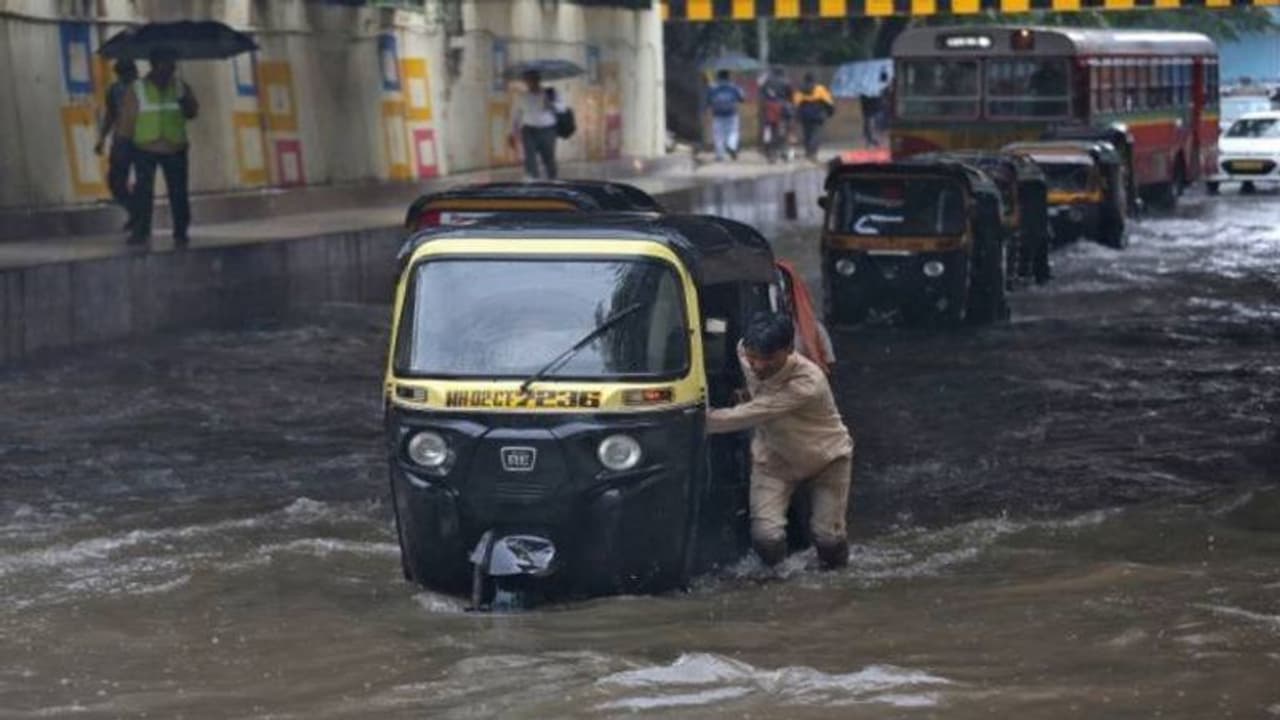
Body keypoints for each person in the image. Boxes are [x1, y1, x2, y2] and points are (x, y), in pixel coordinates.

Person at [706, 312, 855, 570]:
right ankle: (779, 579)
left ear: (789, 350)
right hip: (774, 458)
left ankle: (838, 579)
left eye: (768, 360)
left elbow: (755, 412)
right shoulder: (744, 351)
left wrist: (694, 421)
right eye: (753, 358)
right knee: (766, 536)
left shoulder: (808, 382)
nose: (758, 366)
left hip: (826, 459)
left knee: (828, 538)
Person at [117, 46, 198, 247]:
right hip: (145, 147)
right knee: (143, 193)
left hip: (175, 147)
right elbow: (127, 120)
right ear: (154, 65)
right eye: (166, 64)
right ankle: (141, 231)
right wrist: (122, 146)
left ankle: (181, 231)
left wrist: (184, 99)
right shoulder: (137, 89)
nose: (170, 69)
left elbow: (192, 112)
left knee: (178, 192)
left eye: (172, 65)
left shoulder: (180, 87)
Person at [94, 59, 138, 231]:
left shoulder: (144, 89)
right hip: (121, 139)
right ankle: (135, 212)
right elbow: (110, 115)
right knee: (115, 181)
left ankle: (139, 217)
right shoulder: (114, 90)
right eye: (122, 75)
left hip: (142, 139)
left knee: (140, 182)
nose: (125, 78)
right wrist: (102, 138)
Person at [509, 70, 563, 180]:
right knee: (530, 158)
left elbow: (562, 108)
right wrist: (512, 132)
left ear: (538, 79)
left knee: (549, 157)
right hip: (529, 130)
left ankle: (552, 179)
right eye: (527, 80)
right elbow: (516, 116)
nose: (530, 82)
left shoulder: (550, 93)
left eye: (533, 79)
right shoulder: (522, 96)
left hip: (548, 129)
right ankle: (533, 180)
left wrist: (551, 104)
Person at [793, 72, 835, 162]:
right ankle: (813, 153)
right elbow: (829, 102)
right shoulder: (820, 89)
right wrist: (830, 112)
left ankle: (808, 152)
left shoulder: (800, 90)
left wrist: (797, 115)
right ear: (814, 79)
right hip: (817, 114)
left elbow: (796, 103)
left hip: (805, 115)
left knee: (807, 134)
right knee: (816, 134)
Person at [705, 69, 745, 161]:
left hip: (717, 115)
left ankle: (719, 155)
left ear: (718, 77)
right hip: (732, 114)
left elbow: (708, 101)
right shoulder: (734, 87)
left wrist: (707, 111)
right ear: (728, 77)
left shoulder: (713, 88)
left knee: (718, 134)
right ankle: (731, 146)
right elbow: (742, 98)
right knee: (733, 132)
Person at [759, 68, 794, 163]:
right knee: (782, 131)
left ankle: (771, 153)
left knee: (769, 130)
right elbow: (791, 96)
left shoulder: (767, 82)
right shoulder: (786, 82)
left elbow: (762, 93)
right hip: (782, 109)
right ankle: (783, 152)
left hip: (769, 108)